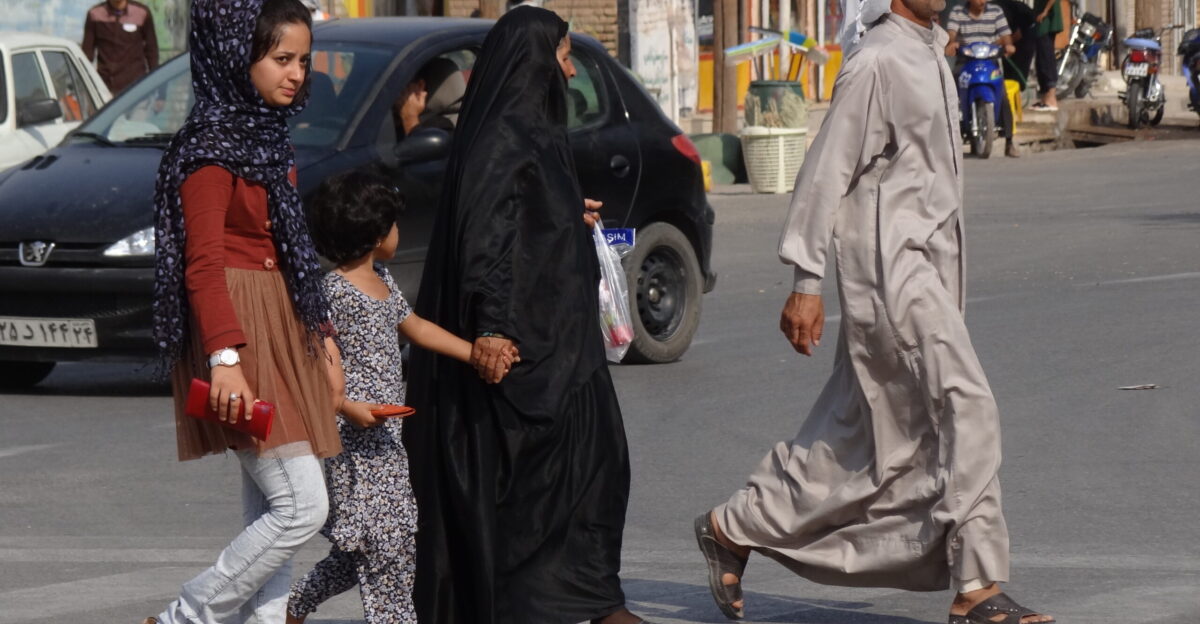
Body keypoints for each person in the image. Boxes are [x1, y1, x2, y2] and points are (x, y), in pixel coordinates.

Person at [692, 0, 1056, 623]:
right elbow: (825, 171)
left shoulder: (930, 50)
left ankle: (734, 525)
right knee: (968, 404)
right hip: (891, 271)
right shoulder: (877, 60)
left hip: (929, 269)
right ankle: (976, 589)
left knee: (862, 436)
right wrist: (807, 281)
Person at [402, 7, 650, 624]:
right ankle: (560, 606)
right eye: (563, 56)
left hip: (564, 344)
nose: (569, 69)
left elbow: (528, 216)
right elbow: (485, 236)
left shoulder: (532, 131)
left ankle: (593, 600)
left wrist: (569, 209)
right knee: (536, 489)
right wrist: (490, 328)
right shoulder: (503, 136)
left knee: (598, 468)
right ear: (536, 62)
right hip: (525, 351)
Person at [145, 1, 343, 622]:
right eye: (281, 59)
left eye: (303, 61)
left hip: (281, 327)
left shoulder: (264, 135)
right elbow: (202, 264)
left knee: (270, 514)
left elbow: (289, 251)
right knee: (301, 508)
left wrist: (323, 335)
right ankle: (188, 617)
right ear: (238, 56)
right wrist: (225, 358)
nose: (296, 74)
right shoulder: (209, 150)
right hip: (240, 337)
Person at [286, 172, 517, 624]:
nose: (398, 232)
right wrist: (347, 408)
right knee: (387, 543)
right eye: (393, 225)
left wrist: (475, 353)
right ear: (376, 234)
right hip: (351, 441)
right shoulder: (332, 292)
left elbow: (417, 328)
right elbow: (311, 368)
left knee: (371, 547)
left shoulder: (384, 281)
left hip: (389, 438)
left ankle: (291, 607)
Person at [945, 0, 1021, 157]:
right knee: (949, 94)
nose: (982, 1)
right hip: (966, 62)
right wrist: (952, 43)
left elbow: (1006, 36)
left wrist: (1008, 45)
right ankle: (948, 138)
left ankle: (1009, 142)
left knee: (1003, 97)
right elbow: (951, 34)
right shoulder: (958, 12)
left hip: (990, 61)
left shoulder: (996, 11)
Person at [82, 0, 159, 93]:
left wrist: (160, 92)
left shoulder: (142, 13)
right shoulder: (95, 14)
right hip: (105, 88)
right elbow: (86, 55)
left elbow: (152, 53)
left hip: (136, 88)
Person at [993, 0, 1038, 90]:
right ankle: (1009, 88)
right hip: (1014, 28)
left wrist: (996, 43)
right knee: (1007, 64)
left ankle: (1018, 89)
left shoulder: (1003, 14)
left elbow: (1017, 35)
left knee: (1020, 63)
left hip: (1027, 28)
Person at [1030, 0, 1062, 110]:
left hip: (1046, 20)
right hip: (1041, 20)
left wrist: (1045, 11)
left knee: (1046, 58)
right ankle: (1044, 98)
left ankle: (1051, 98)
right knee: (1040, 59)